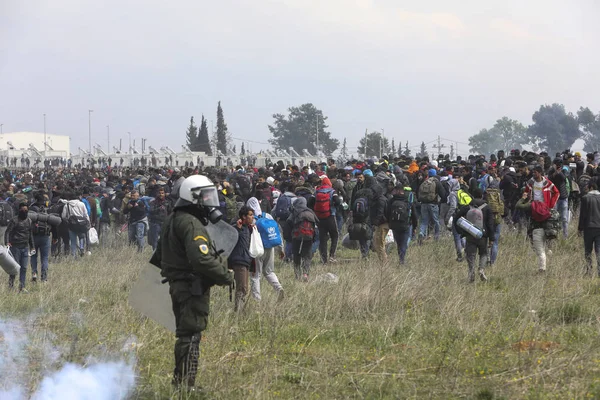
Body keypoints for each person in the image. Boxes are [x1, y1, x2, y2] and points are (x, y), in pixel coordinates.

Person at [155, 174, 234, 389]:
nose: (209, 201)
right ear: (193, 198)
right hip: (191, 286)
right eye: (205, 197)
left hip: (178, 284)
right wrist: (225, 275)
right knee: (190, 336)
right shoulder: (190, 223)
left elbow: (160, 254)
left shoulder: (173, 218)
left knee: (186, 334)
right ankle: (184, 385)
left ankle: (181, 382)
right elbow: (201, 258)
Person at [246, 197, 284, 301]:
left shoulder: (250, 218)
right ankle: (278, 288)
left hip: (257, 250)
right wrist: (281, 249)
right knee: (269, 272)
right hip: (270, 247)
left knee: (255, 275)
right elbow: (276, 232)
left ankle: (257, 299)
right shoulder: (267, 216)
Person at [453, 188, 494, 282]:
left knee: (470, 254)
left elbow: (456, 217)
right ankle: (481, 269)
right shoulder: (487, 207)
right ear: (482, 195)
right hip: (482, 235)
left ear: (472, 195)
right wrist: (491, 238)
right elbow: (490, 224)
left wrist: (461, 231)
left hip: (470, 234)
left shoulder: (468, 206)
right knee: (483, 253)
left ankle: (471, 273)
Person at [286, 197, 318, 281]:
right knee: (307, 256)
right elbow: (316, 225)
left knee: (296, 255)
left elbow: (288, 223)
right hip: (309, 237)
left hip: (296, 236)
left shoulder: (295, 211)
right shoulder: (310, 212)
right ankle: (305, 274)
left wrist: (289, 237)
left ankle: (297, 275)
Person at [229, 206, 254, 312]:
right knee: (241, 287)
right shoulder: (236, 227)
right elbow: (230, 238)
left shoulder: (248, 228)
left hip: (246, 260)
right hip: (239, 261)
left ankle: (241, 310)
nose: (252, 217)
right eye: (250, 215)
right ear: (244, 216)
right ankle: (238, 311)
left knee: (245, 288)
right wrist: (237, 228)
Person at [311, 176, 340, 264]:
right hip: (330, 216)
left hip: (320, 218)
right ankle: (332, 255)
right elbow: (338, 201)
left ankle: (324, 259)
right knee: (334, 235)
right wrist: (334, 207)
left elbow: (310, 202)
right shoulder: (332, 191)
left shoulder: (317, 191)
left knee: (322, 239)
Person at [5, 202, 34, 291]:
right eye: (22, 210)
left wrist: (32, 246)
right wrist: (7, 242)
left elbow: (30, 234)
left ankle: (22, 286)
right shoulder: (14, 220)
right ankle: (11, 285)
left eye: (26, 210)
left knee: (24, 267)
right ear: (19, 210)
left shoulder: (29, 220)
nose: (24, 211)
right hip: (15, 247)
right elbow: (8, 232)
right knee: (14, 267)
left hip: (25, 247)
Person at [386, 185, 417, 265]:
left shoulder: (392, 200)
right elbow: (414, 214)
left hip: (394, 225)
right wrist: (415, 226)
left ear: (396, 190)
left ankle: (400, 257)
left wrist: (389, 222)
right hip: (405, 225)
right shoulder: (408, 200)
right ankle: (402, 260)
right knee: (404, 242)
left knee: (398, 242)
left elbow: (387, 212)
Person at [578, 182, 600, 276]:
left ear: (591, 187)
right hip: (599, 228)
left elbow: (582, 215)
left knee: (588, 251)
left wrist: (580, 228)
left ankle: (589, 270)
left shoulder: (585, 198)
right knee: (598, 251)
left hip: (588, 227)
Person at [29, 193, 52, 282]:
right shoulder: (47, 209)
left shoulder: (31, 209)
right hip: (45, 236)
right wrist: (55, 236)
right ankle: (44, 278)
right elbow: (52, 223)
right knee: (45, 258)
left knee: (33, 256)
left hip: (33, 236)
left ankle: (34, 274)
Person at [148, 187, 172, 251]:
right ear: (157, 194)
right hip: (155, 223)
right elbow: (150, 211)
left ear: (164, 194)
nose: (161, 194)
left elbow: (171, 212)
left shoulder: (167, 202)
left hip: (164, 223)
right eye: (159, 193)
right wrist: (159, 209)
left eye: (162, 193)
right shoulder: (153, 202)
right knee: (155, 240)